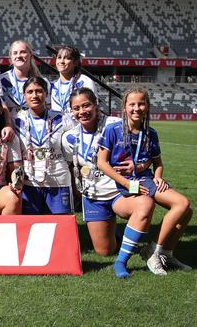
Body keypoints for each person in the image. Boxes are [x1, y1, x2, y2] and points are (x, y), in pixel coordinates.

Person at [98, 87, 192, 276]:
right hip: (123, 184)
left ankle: (164, 252)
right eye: (131, 104)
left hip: (147, 180)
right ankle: (153, 252)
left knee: (185, 210)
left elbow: (158, 163)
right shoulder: (112, 130)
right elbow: (101, 163)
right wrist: (125, 183)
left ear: (147, 107)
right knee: (182, 205)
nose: (136, 108)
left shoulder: (151, 133)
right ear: (124, 107)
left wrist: (157, 176)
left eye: (141, 104)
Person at [63, 88, 156, 278]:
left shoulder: (114, 124)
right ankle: (120, 235)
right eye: (76, 108)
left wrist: (141, 165)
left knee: (145, 205)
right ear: (71, 111)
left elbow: (144, 146)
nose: (82, 111)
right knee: (105, 250)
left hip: (118, 192)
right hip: (94, 196)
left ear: (96, 105)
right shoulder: (69, 137)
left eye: (86, 105)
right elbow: (73, 168)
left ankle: (122, 260)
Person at [14, 77, 74, 215]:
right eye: (30, 92)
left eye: (39, 91)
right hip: (30, 183)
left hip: (58, 181)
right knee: (31, 228)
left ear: (46, 94)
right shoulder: (16, 120)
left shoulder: (62, 118)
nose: (34, 95)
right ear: (24, 95)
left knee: (60, 227)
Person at [0, 40, 49, 115]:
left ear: (31, 56)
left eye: (23, 52)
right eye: (15, 53)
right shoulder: (0, 80)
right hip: (8, 125)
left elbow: (48, 108)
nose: (18, 56)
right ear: (11, 57)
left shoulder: (42, 82)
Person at [51, 45, 96, 115]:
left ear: (75, 62)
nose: (62, 61)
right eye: (59, 57)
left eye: (67, 58)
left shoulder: (85, 81)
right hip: (58, 125)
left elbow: (93, 108)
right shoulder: (53, 85)